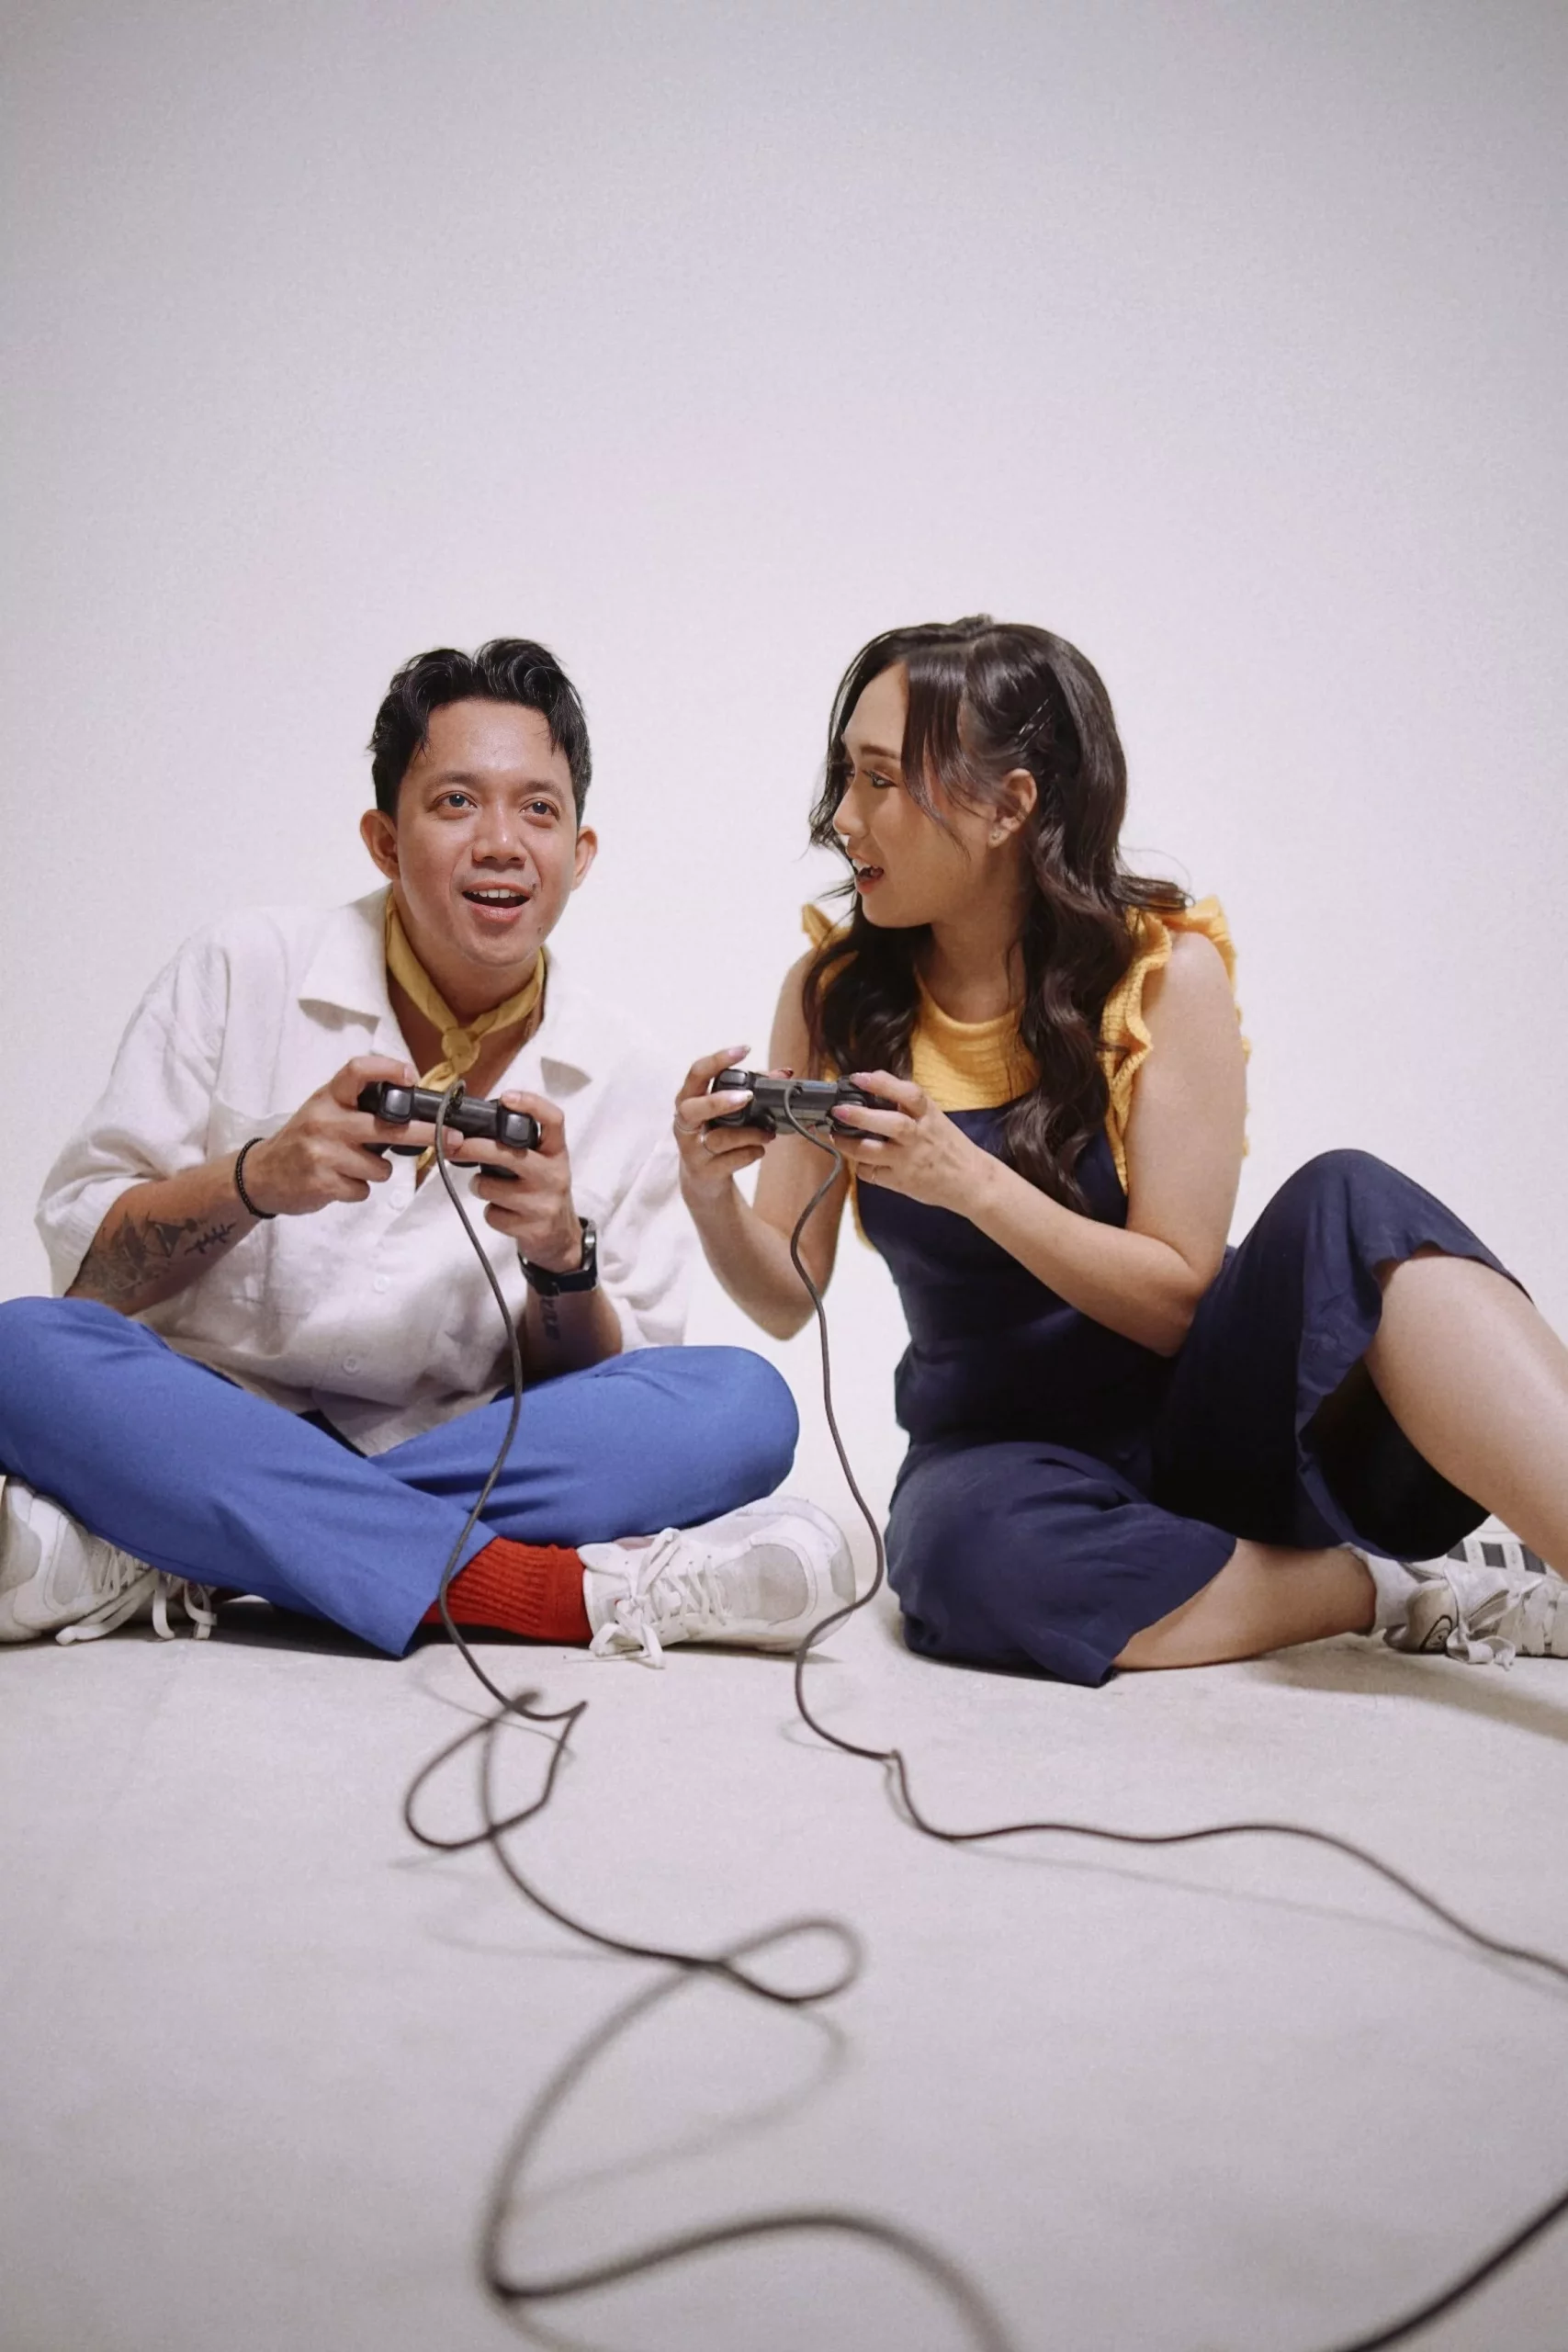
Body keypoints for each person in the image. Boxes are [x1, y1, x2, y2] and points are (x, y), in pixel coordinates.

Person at [672, 615, 1568, 1683]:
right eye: (844, 776)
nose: (842, 818)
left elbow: (1178, 1300)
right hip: (997, 1453)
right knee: (960, 1561)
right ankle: (1390, 1589)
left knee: (1353, 1202)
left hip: (1212, 1419)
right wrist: (710, 1197)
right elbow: (786, 1298)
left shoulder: (1164, 974)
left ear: (1009, 806)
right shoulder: (835, 997)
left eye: (880, 780)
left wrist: (971, 1183)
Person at [0, 639, 851, 1662]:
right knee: (21, 1346)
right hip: (211, 1411)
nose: (501, 843)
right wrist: (257, 1179)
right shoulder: (242, 967)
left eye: (538, 809)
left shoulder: (627, 1071)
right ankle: (551, 1595)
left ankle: (190, 1543)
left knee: (742, 1405)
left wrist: (559, 1259)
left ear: (581, 853)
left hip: (462, 1449)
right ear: (383, 840)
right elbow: (92, 1283)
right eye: (455, 803)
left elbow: (602, 1390)